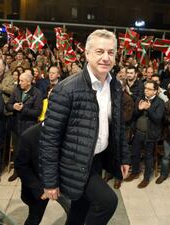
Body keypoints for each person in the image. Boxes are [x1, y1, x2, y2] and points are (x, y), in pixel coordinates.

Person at [39, 29, 130, 225]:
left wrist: (123, 157)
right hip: (74, 162)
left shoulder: (115, 86)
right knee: (107, 202)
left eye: (111, 52)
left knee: (81, 208)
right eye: (99, 51)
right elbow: (50, 138)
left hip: (97, 159)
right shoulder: (66, 89)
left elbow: (118, 126)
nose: (106, 57)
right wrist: (50, 181)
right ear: (87, 54)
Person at [15, 123, 70, 225]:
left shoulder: (68, 132)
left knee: (73, 213)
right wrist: (39, 189)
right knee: (34, 218)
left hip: (63, 184)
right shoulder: (28, 136)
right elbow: (21, 166)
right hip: (39, 188)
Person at [124, 80, 165, 188]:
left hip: (150, 135)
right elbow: (134, 115)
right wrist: (139, 109)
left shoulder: (160, 102)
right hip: (138, 132)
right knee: (135, 154)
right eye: (145, 88)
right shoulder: (140, 99)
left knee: (148, 157)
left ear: (155, 91)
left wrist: (149, 108)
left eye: (149, 89)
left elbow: (157, 119)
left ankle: (146, 178)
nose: (146, 90)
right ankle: (135, 173)